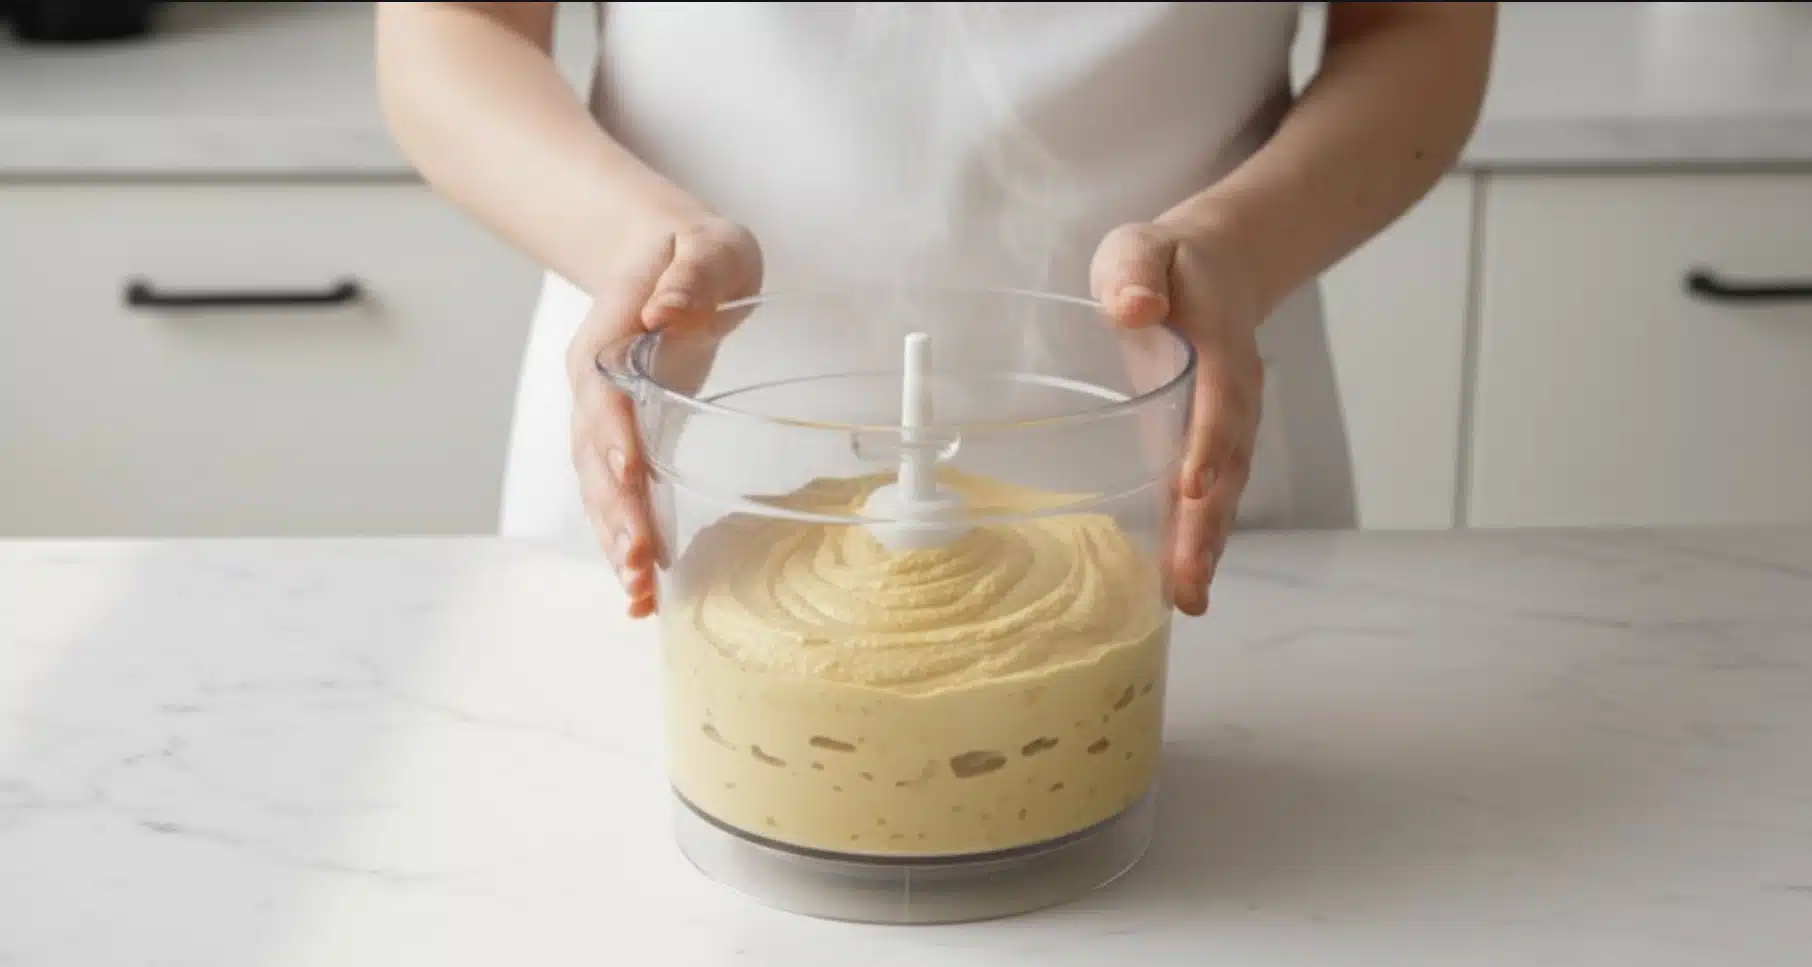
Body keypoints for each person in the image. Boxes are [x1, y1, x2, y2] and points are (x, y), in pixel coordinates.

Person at [377, 2, 1496, 620]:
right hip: (675, 482)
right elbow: (454, 24)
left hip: (1181, 495)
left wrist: (1241, 247)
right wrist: (631, 240)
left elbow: (1417, 28)